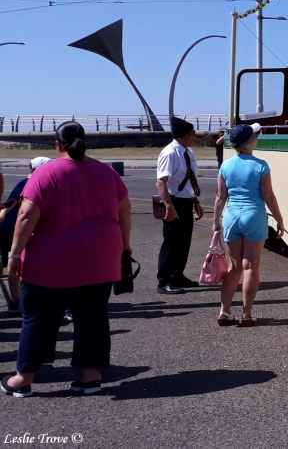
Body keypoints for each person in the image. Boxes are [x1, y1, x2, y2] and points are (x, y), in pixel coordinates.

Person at [1, 123, 131, 397]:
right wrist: (125, 245)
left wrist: (14, 254)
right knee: (92, 316)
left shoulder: (46, 173)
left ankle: (23, 378)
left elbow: (26, 216)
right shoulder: (107, 173)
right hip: (100, 256)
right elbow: (124, 211)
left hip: (52, 259)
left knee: (37, 317)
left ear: (58, 144)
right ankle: (90, 375)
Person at [212, 124, 284, 327]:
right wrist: (279, 219)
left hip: (232, 215)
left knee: (234, 268)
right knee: (250, 267)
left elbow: (220, 196)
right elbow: (268, 196)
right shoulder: (261, 165)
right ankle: (247, 314)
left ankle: (224, 312)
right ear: (250, 142)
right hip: (254, 215)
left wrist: (216, 221)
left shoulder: (226, 165)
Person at [155, 117, 204, 294]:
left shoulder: (188, 152)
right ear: (185, 134)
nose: (195, 136)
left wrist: (195, 201)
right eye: (193, 133)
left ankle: (177, 275)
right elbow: (161, 183)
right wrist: (169, 206)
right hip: (173, 201)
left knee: (184, 242)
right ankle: (164, 280)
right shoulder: (170, 153)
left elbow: (190, 179)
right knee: (171, 242)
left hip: (185, 200)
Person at [1, 157, 51, 312]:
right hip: (10, 229)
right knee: (14, 264)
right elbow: (12, 201)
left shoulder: (37, 182)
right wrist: (3, 213)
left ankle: (20, 301)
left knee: (18, 264)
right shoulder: (27, 182)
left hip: (17, 228)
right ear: (36, 169)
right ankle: (16, 303)